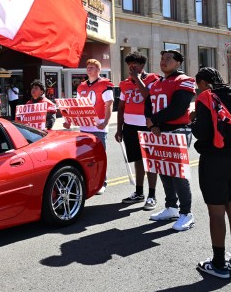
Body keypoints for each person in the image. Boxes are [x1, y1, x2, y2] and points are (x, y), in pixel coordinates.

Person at [191, 68, 231, 279]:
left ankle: (219, 264)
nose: (196, 89)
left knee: (216, 212)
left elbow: (202, 132)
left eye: (197, 85)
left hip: (214, 161)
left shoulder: (206, 97)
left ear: (203, 83)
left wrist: (193, 120)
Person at [145, 50, 196, 231]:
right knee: (163, 169)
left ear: (178, 63)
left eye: (168, 59)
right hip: (159, 132)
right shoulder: (156, 82)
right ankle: (171, 207)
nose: (163, 61)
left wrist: (155, 120)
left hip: (177, 131)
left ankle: (186, 213)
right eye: (162, 58)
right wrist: (152, 126)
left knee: (178, 173)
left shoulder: (185, 80)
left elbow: (178, 108)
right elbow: (148, 106)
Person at [115, 51, 160, 210]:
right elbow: (121, 107)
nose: (131, 69)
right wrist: (119, 128)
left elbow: (148, 96)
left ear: (142, 66)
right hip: (130, 127)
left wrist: (137, 79)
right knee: (137, 160)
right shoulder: (125, 84)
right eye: (129, 66)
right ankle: (139, 192)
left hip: (146, 126)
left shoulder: (153, 79)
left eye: (134, 66)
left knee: (150, 161)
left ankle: (152, 195)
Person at [63, 59, 114, 194]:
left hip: (98, 125)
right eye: (88, 67)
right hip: (85, 125)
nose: (89, 69)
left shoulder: (105, 84)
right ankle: (89, 181)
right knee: (85, 156)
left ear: (98, 70)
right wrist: (69, 120)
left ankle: (102, 182)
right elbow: (78, 106)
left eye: (92, 67)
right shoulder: (82, 86)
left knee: (99, 155)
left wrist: (106, 122)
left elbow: (109, 104)